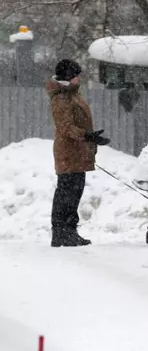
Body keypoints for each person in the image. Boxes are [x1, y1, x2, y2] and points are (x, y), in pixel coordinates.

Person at [47, 59, 111, 247]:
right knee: (67, 192)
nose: (78, 80)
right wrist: (87, 136)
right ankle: (61, 232)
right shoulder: (61, 97)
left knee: (74, 192)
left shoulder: (71, 94)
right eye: (76, 76)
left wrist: (89, 137)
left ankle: (69, 232)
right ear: (68, 77)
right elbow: (65, 127)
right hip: (68, 153)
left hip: (76, 152)